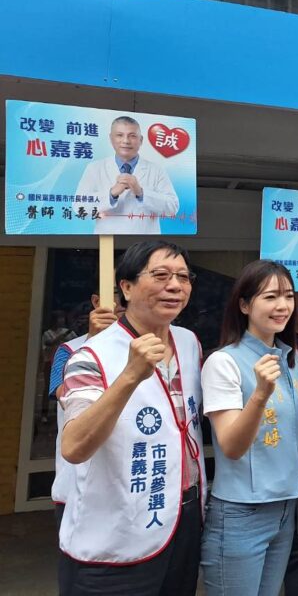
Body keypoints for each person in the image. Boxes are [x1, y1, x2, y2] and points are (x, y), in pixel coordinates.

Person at [58, 241, 204, 594]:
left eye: (183, 277)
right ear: (126, 287)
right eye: (161, 275)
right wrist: (129, 376)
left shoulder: (189, 342)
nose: (175, 286)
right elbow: (74, 446)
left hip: (183, 518)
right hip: (116, 536)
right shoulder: (90, 355)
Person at [200, 260, 298, 596]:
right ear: (244, 305)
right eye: (270, 296)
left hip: (286, 509)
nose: (282, 305)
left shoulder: (291, 358)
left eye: (288, 296)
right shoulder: (223, 362)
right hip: (241, 514)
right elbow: (231, 446)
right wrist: (260, 394)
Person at [51, 296, 124, 528]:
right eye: (116, 292)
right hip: (77, 486)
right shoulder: (69, 349)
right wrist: (94, 342)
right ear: (96, 301)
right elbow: (66, 397)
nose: (122, 301)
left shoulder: (151, 348)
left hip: (132, 483)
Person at [75, 115, 180, 234]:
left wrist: (141, 193)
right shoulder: (94, 168)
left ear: (141, 140)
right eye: (119, 135)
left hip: (146, 241)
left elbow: (172, 208)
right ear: (111, 138)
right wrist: (111, 194)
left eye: (132, 136)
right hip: (108, 241)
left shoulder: (156, 170)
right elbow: (79, 207)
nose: (126, 141)